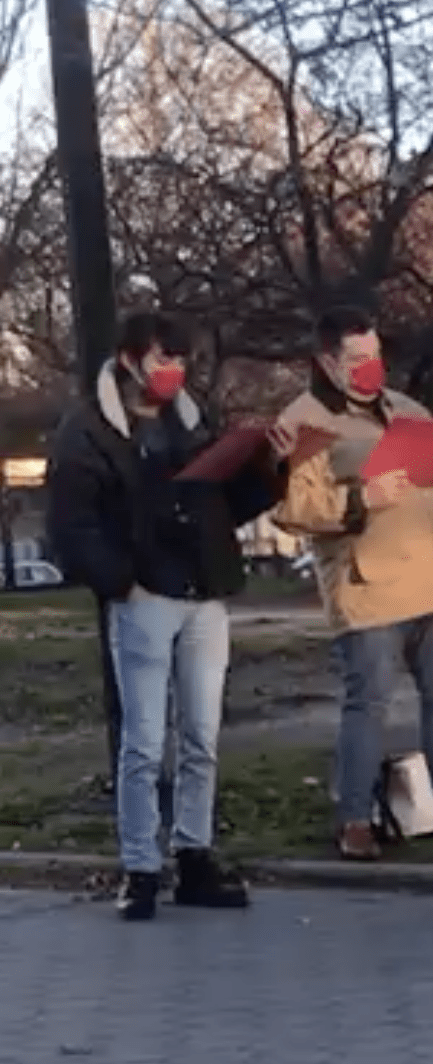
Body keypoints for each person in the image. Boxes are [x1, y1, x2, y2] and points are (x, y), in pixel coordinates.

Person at [48, 313, 279, 920]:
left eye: (180, 360)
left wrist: (266, 468)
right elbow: (73, 523)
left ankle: (194, 854)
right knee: (144, 741)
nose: (173, 372)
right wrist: (120, 582)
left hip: (202, 591)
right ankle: (140, 865)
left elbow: (225, 504)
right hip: (144, 595)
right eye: (161, 361)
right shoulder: (89, 430)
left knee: (202, 734)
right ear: (128, 360)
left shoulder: (192, 420)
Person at [269, 306, 433, 861]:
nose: (371, 367)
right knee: (368, 701)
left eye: (375, 354)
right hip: (370, 585)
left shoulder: (405, 407)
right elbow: (294, 507)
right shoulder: (303, 421)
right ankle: (355, 818)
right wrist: (359, 500)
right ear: (327, 361)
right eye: (357, 358)